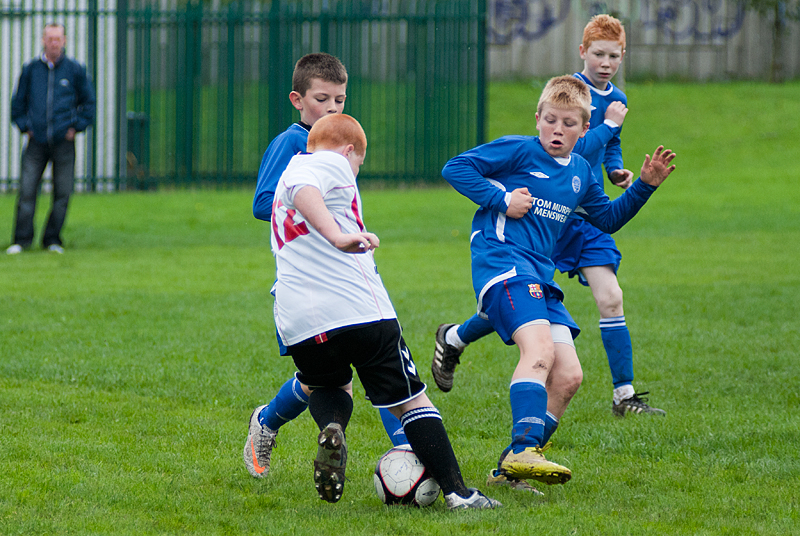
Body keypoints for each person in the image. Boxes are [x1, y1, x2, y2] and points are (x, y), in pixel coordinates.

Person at [441, 75, 675, 487]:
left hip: (540, 274)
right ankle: (525, 448)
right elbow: (455, 167)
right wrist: (501, 199)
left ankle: (509, 471)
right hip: (504, 263)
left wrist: (645, 187)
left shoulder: (582, 171)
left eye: (569, 124)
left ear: (586, 129)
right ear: (538, 119)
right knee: (540, 352)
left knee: (569, 377)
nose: (557, 130)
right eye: (551, 120)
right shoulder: (518, 149)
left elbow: (605, 220)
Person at [432, 14, 666, 419]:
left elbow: (604, 187)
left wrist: (630, 177)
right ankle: (459, 344)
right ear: (583, 53)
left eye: (613, 55)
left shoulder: (609, 116)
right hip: (527, 232)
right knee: (524, 315)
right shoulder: (557, 107)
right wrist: (502, 198)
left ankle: (622, 396)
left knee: (600, 310)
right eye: (598, 54)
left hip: (575, 217)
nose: (606, 62)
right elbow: (459, 168)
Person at [268, 113, 500, 509]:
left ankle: (332, 428)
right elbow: (306, 188)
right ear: (349, 150)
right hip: (356, 308)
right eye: (360, 161)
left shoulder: (292, 171)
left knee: (329, 386)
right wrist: (339, 236)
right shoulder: (327, 161)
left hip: (297, 320)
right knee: (411, 400)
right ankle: (459, 494)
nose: (356, 169)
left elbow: (300, 190)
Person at [244, 53, 407, 482]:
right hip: (308, 281)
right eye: (322, 100)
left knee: (376, 368)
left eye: (340, 99)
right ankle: (267, 421)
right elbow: (265, 202)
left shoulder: (340, 143)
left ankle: (407, 453)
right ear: (298, 100)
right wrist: (314, 213)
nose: (333, 109)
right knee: (327, 382)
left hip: (349, 273)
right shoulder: (293, 143)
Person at [6, 23, 96, 255]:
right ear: (43, 40)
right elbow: (18, 103)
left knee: (63, 192)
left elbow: (88, 103)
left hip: (63, 143)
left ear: (64, 41)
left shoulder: (75, 70)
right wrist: (26, 126)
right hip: (36, 143)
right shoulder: (31, 70)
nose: (53, 43)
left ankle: (52, 239)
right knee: (27, 190)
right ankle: (21, 240)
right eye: (50, 38)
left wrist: (76, 127)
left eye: (57, 39)